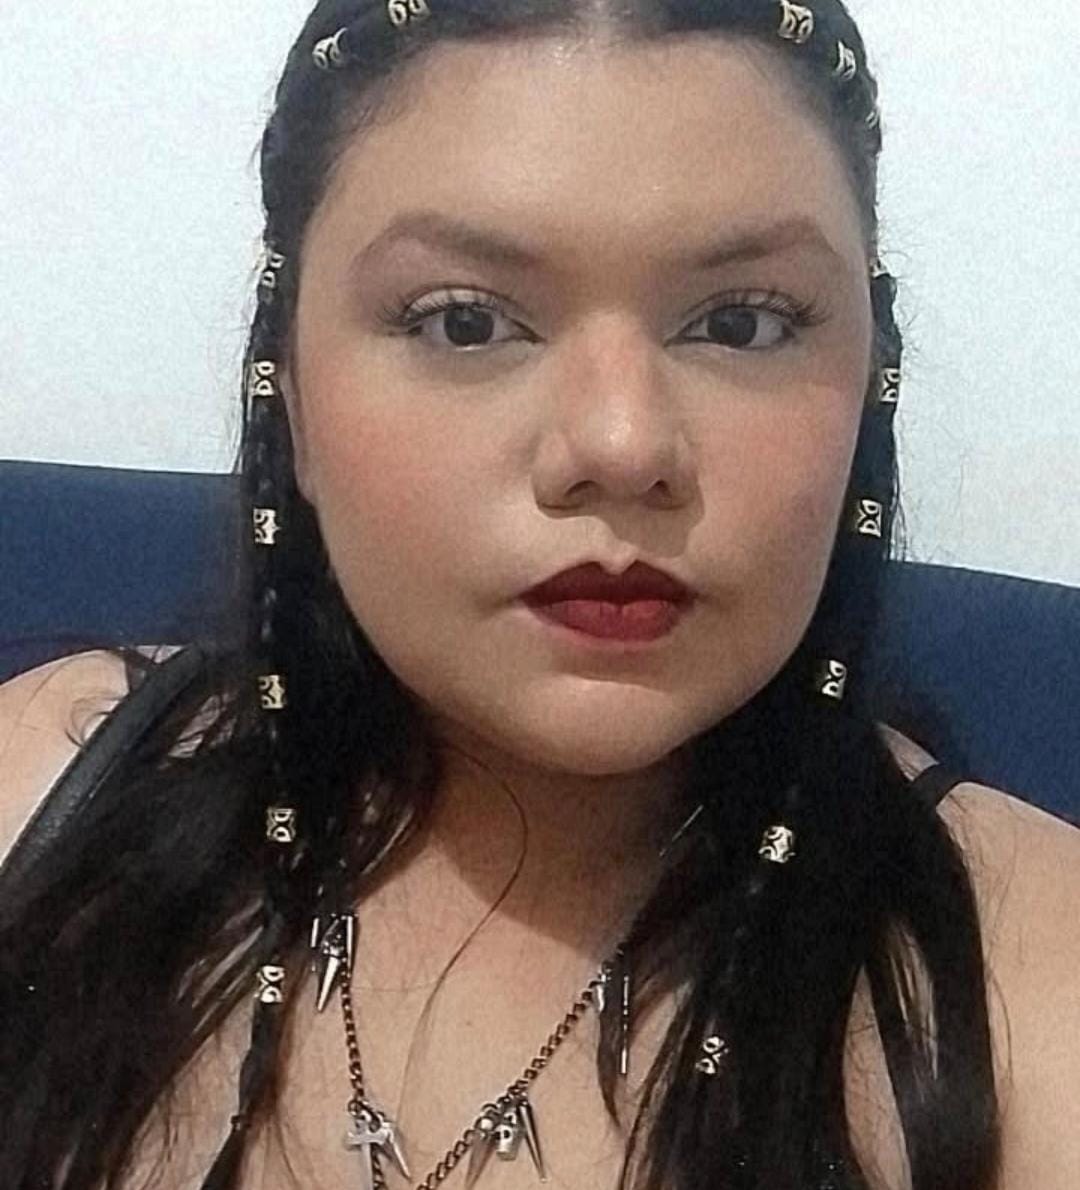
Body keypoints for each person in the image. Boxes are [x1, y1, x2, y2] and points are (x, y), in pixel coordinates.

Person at [2, 1, 1079, 1188]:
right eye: (465, 321)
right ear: (290, 393)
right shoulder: (43, 784)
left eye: (741, 322)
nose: (621, 445)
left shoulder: (1037, 982)